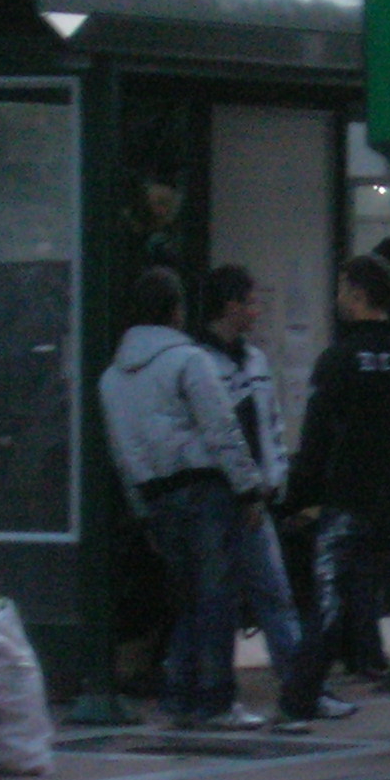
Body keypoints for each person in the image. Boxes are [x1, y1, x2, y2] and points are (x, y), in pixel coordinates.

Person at [99, 266, 268, 729]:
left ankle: (178, 695)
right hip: (205, 489)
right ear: (176, 311)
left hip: (156, 495)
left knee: (187, 599)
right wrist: (249, 488)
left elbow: (121, 453)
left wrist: (142, 511)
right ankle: (214, 699)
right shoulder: (189, 361)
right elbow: (221, 430)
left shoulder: (112, 377)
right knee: (217, 598)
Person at [202, 266, 344, 728]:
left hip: (257, 497)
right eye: (250, 301)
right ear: (229, 306)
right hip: (221, 495)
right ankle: (219, 696)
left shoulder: (255, 360)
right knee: (222, 599)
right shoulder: (202, 363)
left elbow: (271, 424)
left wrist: (275, 481)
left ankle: (300, 687)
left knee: (275, 595)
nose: (257, 310)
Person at [278, 255, 390, 726]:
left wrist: (297, 499)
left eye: (342, 290)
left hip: (350, 497)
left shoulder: (337, 360)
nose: (337, 299)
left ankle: (301, 695)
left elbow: (317, 438)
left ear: (357, 296)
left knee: (328, 599)